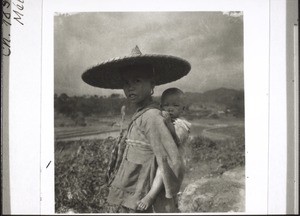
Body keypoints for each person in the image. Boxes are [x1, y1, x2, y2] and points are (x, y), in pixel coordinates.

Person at [82, 46, 191, 213]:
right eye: (126, 82)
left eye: (137, 81)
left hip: (143, 189)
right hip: (131, 181)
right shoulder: (140, 112)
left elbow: (168, 159)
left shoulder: (152, 117)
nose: (130, 87)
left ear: (152, 84)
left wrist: (152, 195)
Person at [137, 87, 191, 211]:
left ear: (183, 109)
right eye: (166, 105)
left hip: (174, 161)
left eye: (175, 105)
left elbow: (176, 139)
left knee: (163, 170)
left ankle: (150, 196)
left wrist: (168, 124)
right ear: (161, 107)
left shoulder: (182, 125)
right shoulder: (162, 120)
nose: (170, 108)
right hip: (163, 157)